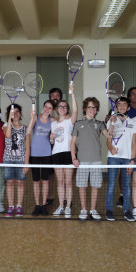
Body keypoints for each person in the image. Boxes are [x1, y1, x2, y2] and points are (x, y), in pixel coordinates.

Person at [71, 97, 111, 221]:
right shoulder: (78, 124)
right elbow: (72, 143)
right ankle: (83, 209)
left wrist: (111, 123)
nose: (92, 109)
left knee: (95, 186)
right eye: (90, 107)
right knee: (82, 186)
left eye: (94, 107)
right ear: (85, 108)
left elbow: (108, 136)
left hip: (96, 160)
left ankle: (93, 210)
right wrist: (74, 158)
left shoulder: (100, 124)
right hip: (82, 160)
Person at [105, 97, 136, 222]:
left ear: (128, 108)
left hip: (127, 159)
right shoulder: (111, 120)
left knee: (126, 186)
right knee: (111, 185)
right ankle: (109, 210)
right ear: (116, 107)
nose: (122, 107)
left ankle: (126, 210)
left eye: (125, 105)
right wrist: (112, 123)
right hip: (113, 158)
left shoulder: (133, 122)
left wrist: (132, 160)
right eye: (120, 105)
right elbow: (109, 138)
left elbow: (134, 143)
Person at [50, 84, 78, 218]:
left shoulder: (69, 121)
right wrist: (51, 138)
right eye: (60, 106)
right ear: (57, 109)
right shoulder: (53, 123)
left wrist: (72, 93)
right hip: (56, 154)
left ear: (67, 109)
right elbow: (52, 140)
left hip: (68, 153)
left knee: (68, 182)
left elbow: (76, 112)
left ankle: (68, 207)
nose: (62, 108)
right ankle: (61, 205)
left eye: (64, 107)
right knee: (59, 182)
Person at [25, 101, 55, 216]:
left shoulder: (52, 121)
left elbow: (54, 136)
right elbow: (28, 132)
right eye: (46, 107)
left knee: (46, 181)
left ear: (52, 110)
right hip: (34, 154)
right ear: (43, 107)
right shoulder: (36, 117)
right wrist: (32, 119)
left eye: (50, 108)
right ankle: (37, 205)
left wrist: (52, 138)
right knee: (36, 181)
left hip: (47, 154)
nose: (47, 109)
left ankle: (44, 205)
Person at [3, 104, 28, 217]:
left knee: (20, 183)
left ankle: (19, 206)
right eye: (13, 112)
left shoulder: (25, 128)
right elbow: (8, 135)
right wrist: (10, 118)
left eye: (17, 112)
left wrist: (26, 163)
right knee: (10, 182)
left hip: (21, 159)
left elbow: (28, 147)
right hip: (8, 159)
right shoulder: (6, 126)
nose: (16, 114)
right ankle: (11, 206)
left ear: (20, 113)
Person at [46, 87, 64, 205]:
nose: (55, 97)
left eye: (57, 95)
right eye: (53, 95)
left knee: (64, 173)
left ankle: (65, 198)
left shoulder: (64, 109)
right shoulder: (47, 111)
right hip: (48, 147)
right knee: (50, 174)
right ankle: (49, 195)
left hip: (62, 146)